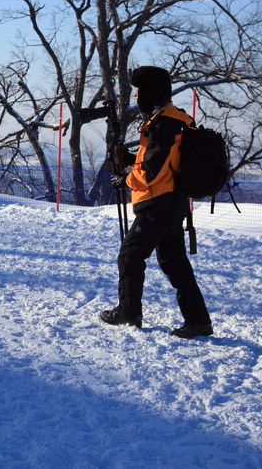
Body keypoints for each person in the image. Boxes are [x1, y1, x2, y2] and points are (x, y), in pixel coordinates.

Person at [99, 66, 214, 339]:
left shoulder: (164, 125)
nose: (136, 95)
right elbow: (156, 161)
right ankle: (198, 321)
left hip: (158, 204)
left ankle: (129, 312)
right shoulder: (174, 119)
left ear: (149, 91)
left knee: (130, 255)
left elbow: (151, 172)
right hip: (173, 203)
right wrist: (128, 160)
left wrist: (124, 181)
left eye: (138, 90)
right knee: (174, 262)